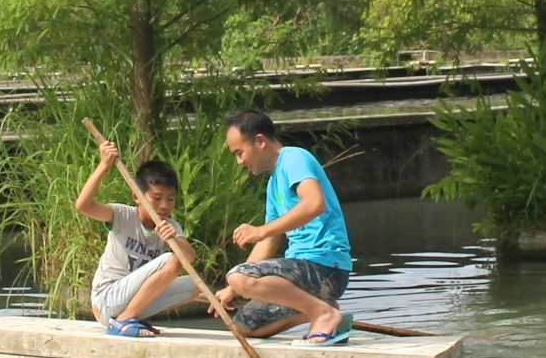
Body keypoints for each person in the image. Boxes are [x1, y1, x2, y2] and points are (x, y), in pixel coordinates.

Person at [217, 108, 354, 344]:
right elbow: (270, 241)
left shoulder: (294, 158)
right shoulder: (272, 184)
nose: (239, 161)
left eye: (240, 153)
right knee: (244, 325)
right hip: (305, 275)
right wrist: (235, 289)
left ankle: (322, 314)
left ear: (260, 141)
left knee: (238, 276)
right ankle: (325, 309)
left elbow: (314, 203)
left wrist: (259, 231)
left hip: (325, 268)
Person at [74, 137, 203, 337]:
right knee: (172, 260)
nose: (164, 206)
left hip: (133, 300)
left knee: (196, 285)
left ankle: (128, 317)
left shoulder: (170, 225)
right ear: (137, 196)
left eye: (170, 199)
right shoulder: (123, 215)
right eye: (157, 198)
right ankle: (124, 321)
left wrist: (175, 239)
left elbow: (190, 256)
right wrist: (103, 165)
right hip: (106, 300)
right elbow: (83, 206)